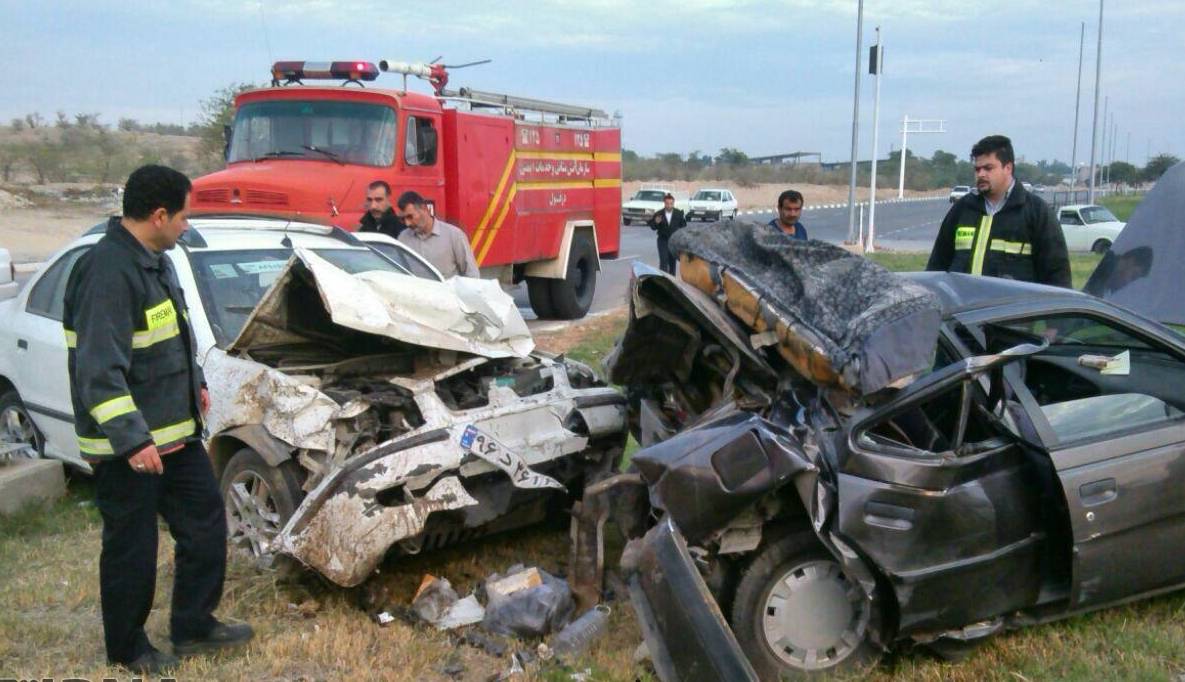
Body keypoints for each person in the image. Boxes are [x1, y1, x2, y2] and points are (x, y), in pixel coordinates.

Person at [63, 165, 253, 675]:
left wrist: (197, 384)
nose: (188, 227)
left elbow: (170, 337)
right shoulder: (107, 273)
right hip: (130, 449)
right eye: (184, 217)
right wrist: (131, 441)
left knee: (205, 524)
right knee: (133, 549)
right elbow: (99, 372)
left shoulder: (155, 262)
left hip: (176, 438)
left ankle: (193, 626)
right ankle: (128, 648)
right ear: (159, 215)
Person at [926, 135, 1070, 287]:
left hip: (1012, 303)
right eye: (977, 169)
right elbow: (936, 268)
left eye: (988, 168)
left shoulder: (1037, 213)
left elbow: (1058, 279)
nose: (981, 174)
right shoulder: (962, 210)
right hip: (966, 302)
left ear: (1008, 168)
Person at [396, 190, 479, 278]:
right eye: (403, 219)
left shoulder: (454, 235)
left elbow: (471, 273)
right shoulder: (403, 238)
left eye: (410, 217)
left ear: (424, 209)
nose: (407, 223)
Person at [646, 192, 686, 274]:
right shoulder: (659, 214)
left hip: (674, 241)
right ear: (664, 203)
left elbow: (684, 227)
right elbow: (653, 227)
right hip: (662, 240)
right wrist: (656, 222)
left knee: (672, 262)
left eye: (671, 204)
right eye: (667, 204)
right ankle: (663, 279)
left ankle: (672, 280)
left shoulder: (678, 213)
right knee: (663, 261)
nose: (669, 206)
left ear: (673, 203)